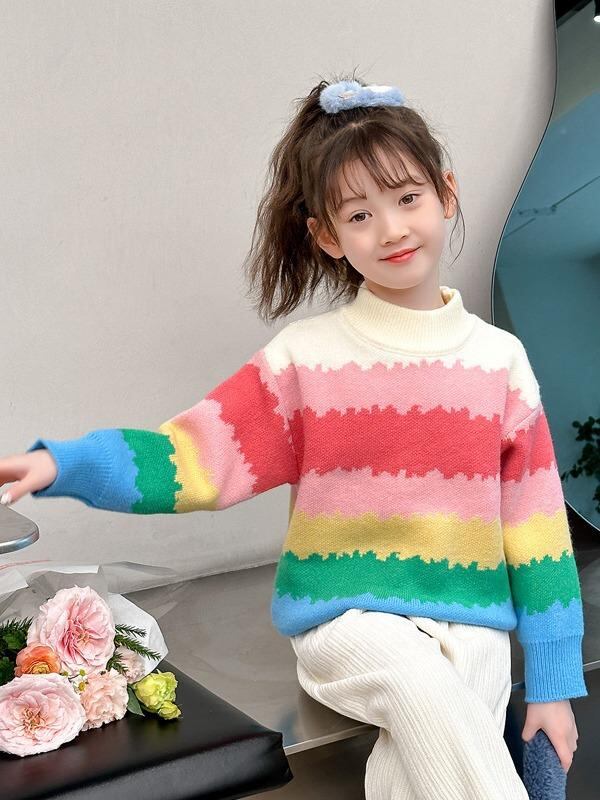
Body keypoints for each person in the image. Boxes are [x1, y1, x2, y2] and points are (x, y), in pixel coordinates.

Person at [0, 71, 586, 798]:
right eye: (361, 214)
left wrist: (554, 684)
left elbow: (537, 532)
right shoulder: (305, 362)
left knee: (436, 729)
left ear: (447, 193)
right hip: (347, 623)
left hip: (471, 625)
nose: (392, 228)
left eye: (407, 199)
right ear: (327, 237)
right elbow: (191, 460)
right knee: (421, 687)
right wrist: (66, 465)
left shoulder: (500, 363)